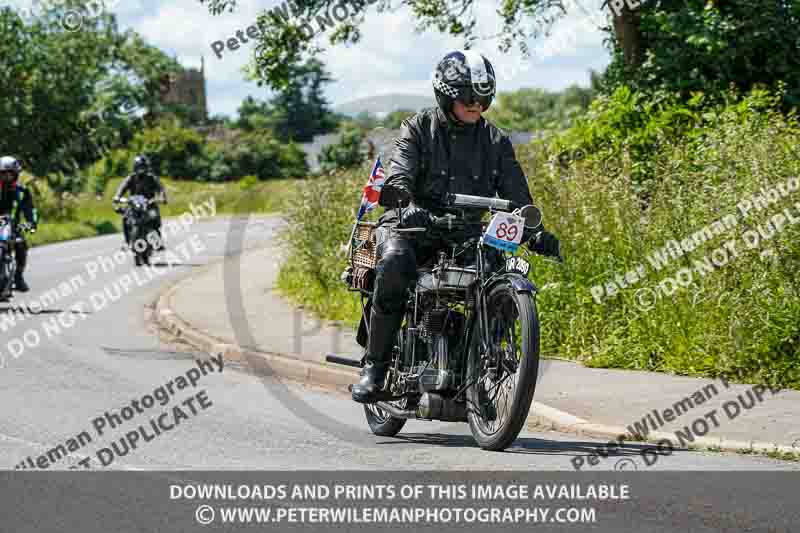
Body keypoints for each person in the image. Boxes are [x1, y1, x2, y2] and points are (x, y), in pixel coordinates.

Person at [351, 50, 561, 404]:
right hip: (411, 225)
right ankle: (375, 367)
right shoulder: (418, 128)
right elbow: (399, 171)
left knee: (500, 269)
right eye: (469, 98)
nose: (477, 105)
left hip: (464, 233)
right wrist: (406, 200)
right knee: (394, 265)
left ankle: (481, 364)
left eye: (484, 99)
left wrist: (533, 230)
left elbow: (517, 196)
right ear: (446, 96)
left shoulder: (495, 141)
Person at [0, 156, 38, 293]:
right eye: (3, 173)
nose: (7, 176)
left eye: (10, 173)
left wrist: (31, 223)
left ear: (16, 174)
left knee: (21, 245)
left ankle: (18, 276)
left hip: (13, 225)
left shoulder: (22, 191)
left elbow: (30, 210)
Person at [113, 155, 168, 250]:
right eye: (139, 167)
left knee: (154, 217)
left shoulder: (152, 178)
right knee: (125, 218)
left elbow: (160, 189)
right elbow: (121, 188)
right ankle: (127, 241)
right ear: (135, 167)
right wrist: (117, 197)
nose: (141, 170)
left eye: (143, 167)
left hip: (149, 204)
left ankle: (157, 240)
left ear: (147, 167)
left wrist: (162, 197)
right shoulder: (131, 178)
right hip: (134, 205)